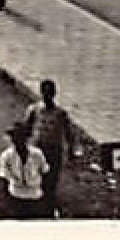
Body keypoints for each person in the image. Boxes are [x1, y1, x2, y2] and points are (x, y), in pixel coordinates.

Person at [21, 79, 77, 217]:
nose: (47, 95)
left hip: (54, 150)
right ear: (41, 93)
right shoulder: (34, 110)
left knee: (51, 179)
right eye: (45, 92)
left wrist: (71, 150)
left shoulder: (60, 113)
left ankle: (49, 207)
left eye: (50, 93)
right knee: (37, 177)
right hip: (38, 149)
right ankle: (39, 206)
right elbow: (26, 128)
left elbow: (68, 132)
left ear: (54, 94)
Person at [0, 124, 49, 218]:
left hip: (35, 195)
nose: (18, 141)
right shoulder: (6, 156)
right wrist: (6, 200)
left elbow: (45, 172)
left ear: (26, 139)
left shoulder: (37, 154)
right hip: (16, 195)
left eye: (21, 137)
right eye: (15, 138)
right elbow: (3, 178)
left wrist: (44, 196)